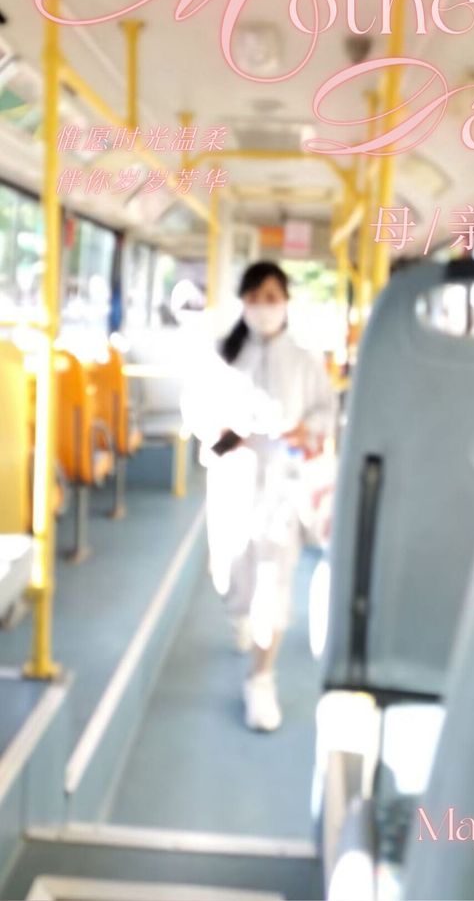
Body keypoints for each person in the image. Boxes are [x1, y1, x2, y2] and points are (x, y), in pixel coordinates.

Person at [182, 261, 335, 732]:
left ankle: (261, 680)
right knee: (230, 574)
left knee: (273, 582)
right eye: (255, 297)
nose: (264, 307)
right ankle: (240, 616)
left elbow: (326, 411)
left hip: (282, 483)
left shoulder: (306, 360)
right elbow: (195, 407)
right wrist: (220, 429)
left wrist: (304, 429)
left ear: (286, 301)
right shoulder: (222, 355)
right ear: (243, 302)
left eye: (272, 297)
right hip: (233, 478)